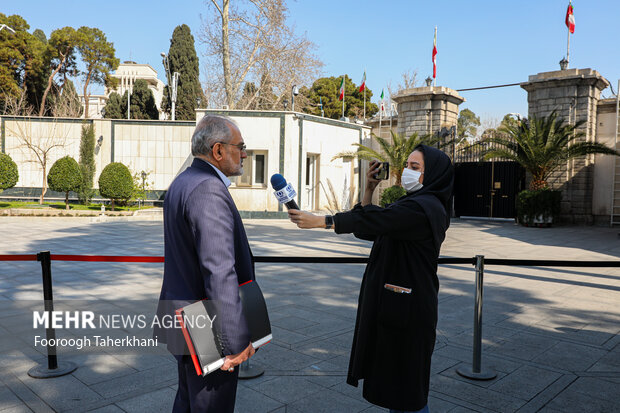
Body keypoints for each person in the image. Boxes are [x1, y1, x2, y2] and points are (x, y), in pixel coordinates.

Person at [288, 144, 453, 413]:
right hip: (399, 308)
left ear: (433, 174)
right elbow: (372, 227)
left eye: (415, 168)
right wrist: (369, 189)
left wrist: (324, 221)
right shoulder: (412, 204)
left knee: (408, 394)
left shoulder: (425, 208)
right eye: (406, 166)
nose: (406, 173)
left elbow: (376, 221)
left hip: (409, 314)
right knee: (397, 389)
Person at [154, 115, 255, 413]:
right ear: (218, 150)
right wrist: (234, 340)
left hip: (187, 317)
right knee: (210, 405)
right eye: (241, 146)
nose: (245, 154)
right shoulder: (207, 188)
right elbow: (219, 269)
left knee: (188, 401)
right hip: (205, 327)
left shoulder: (184, 181)